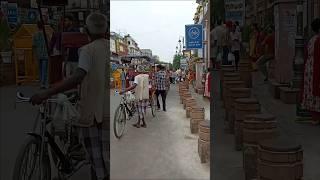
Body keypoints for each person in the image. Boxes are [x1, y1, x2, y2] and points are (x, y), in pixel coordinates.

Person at [30, 12, 109, 180]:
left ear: (86, 30)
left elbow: (78, 77)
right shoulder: (110, 48)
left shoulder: (87, 50)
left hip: (93, 115)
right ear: (106, 31)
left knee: (97, 161)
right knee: (105, 160)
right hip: (108, 112)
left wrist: (46, 92)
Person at [301, 18, 320, 125]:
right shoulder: (318, 40)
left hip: (310, 67)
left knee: (312, 90)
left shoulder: (312, 39)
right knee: (316, 90)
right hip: (316, 67)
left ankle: (315, 117)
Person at [62, 14, 80, 78]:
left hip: (74, 56)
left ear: (71, 22)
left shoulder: (76, 31)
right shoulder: (65, 31)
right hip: (67, 58)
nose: (65, 22)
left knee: (74, 76)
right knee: (67, 76)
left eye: (66, 21)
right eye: (64, 21)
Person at [32, 21, 49, 89]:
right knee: (44, 69)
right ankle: (43, 83)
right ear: (43, 26)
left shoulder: (34, 35)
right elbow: (49, 43)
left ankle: (40, 82)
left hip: (38, 54)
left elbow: (33, 46)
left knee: (40, 69)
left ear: (37, 26)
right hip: (45, 54)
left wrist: (34, 55)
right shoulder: (46, 34)